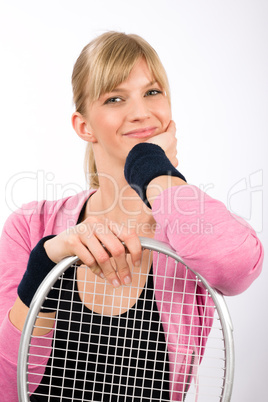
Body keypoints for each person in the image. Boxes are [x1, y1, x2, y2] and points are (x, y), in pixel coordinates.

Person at [0, 31, 263, 402]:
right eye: (115, 98)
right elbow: (6, 388)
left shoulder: (196, 229)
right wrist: (43, 264)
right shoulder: (30, 227)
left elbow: (237, 266)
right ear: (83, 125)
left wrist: (152, 170)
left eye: (152, 92)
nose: (140, 112)